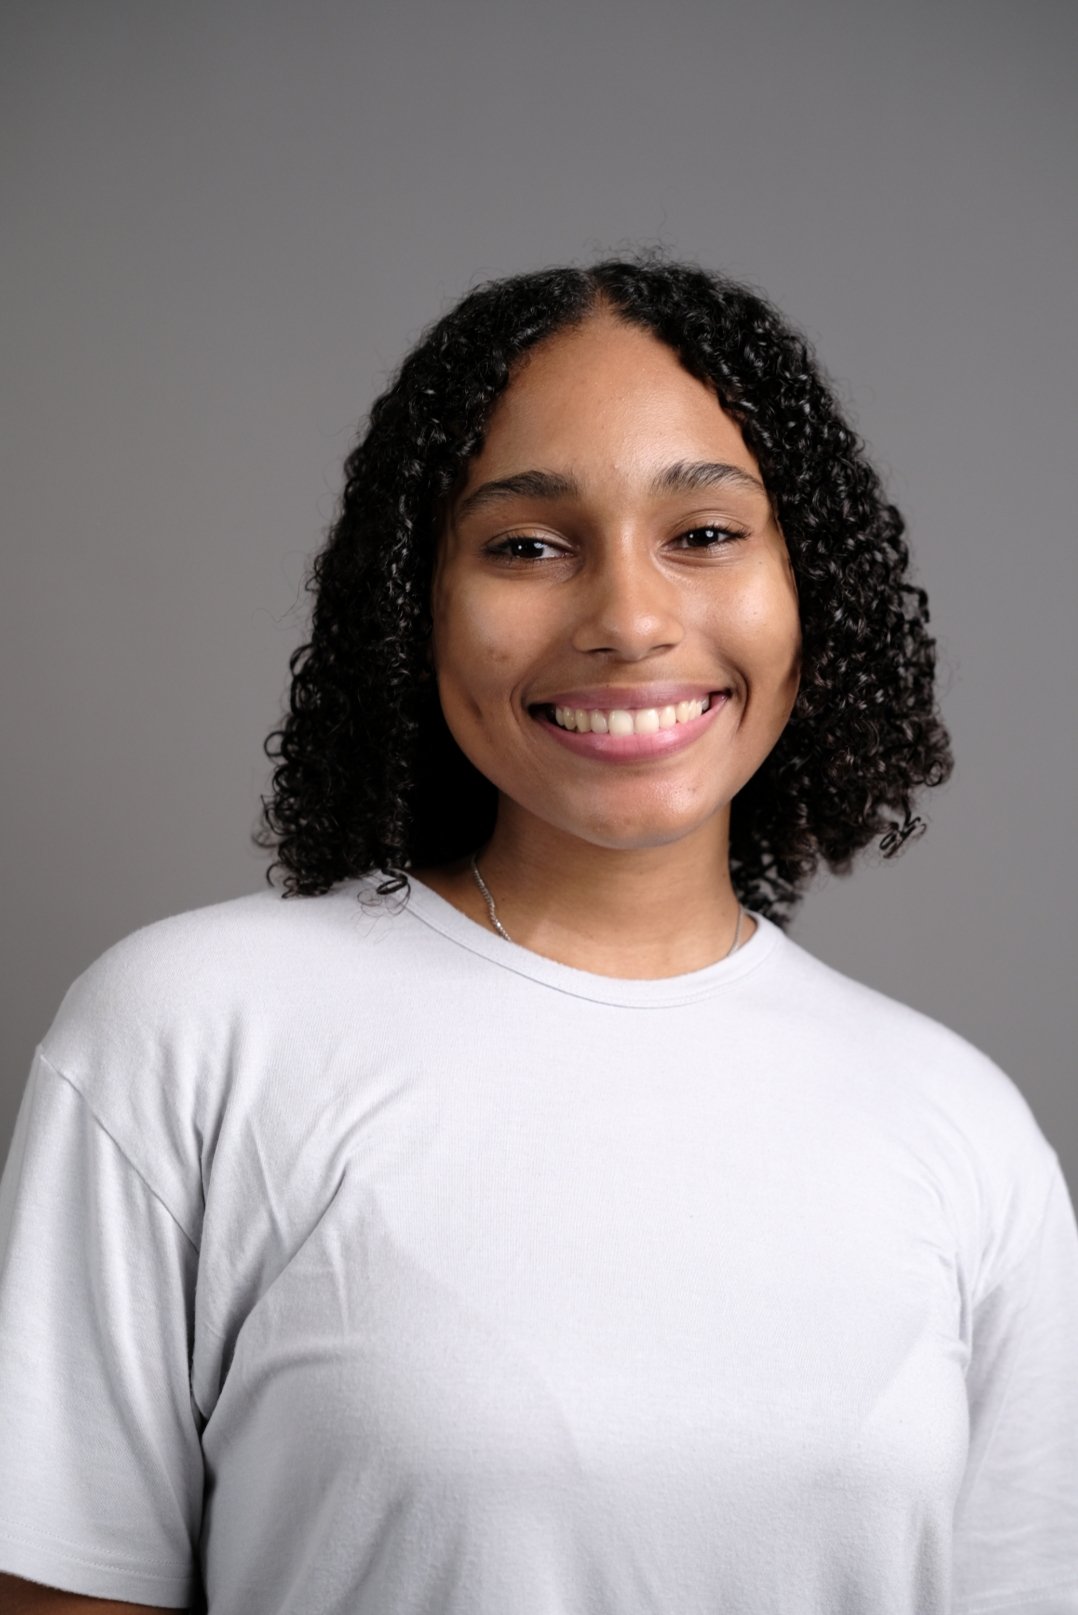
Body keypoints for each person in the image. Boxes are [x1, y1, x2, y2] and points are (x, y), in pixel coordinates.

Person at [1, 255, 1075, 1615]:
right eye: (525, 546)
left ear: (812, 586)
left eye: (704, 533)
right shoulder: (192, 1032)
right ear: (416, 604)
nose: (628, 618)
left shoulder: (960, 1125)